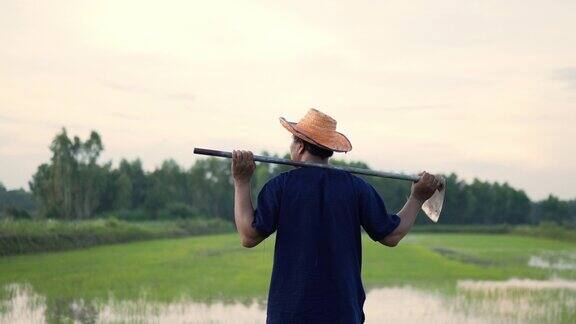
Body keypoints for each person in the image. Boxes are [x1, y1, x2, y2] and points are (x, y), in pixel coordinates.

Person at [232, 108, 441, 324]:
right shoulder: (357, 188)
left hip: (290, 315)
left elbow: (248, 236)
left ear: (300, 146)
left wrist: (241, 181)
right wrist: (417, 198)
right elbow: (391, 236)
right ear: (328, 149)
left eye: (292, 143)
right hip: (343, 314)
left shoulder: (280, 187)